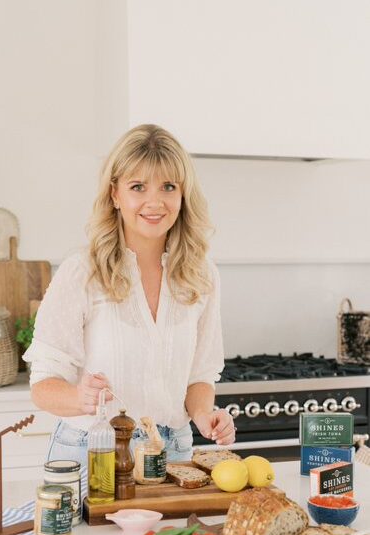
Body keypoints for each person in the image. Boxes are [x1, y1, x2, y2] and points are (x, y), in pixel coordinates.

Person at [23, 124, 235, 496]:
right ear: (115, 194)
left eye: (168, 187)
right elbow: (43, 386)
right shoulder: (83, 271)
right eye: (138, 187)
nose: (155, 202)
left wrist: (205, 416)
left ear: (183, 194)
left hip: (175, 454)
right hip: (95, 451)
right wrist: (79, 398)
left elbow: (199, 376)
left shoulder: (202, 275)